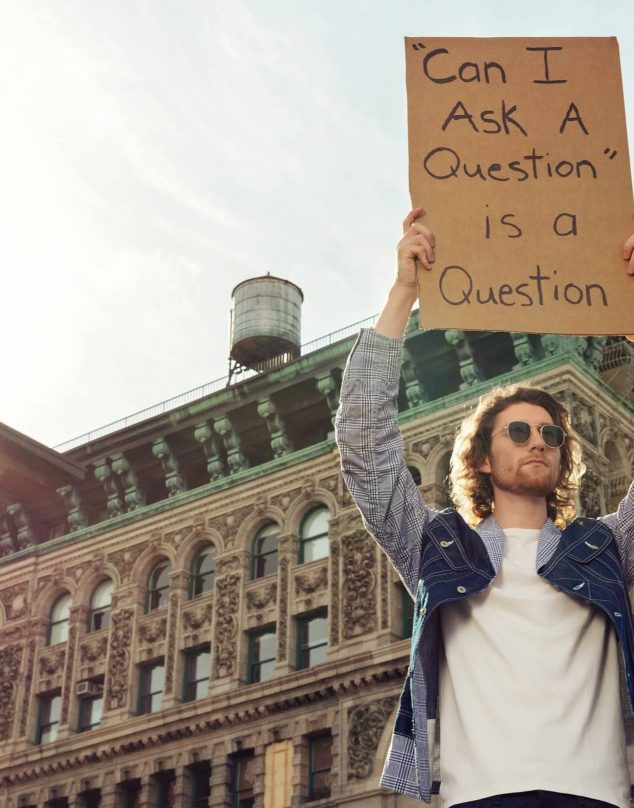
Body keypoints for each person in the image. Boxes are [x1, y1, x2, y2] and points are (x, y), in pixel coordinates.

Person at [335, 208, 634, 808]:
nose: (537, 444)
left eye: (551, 437)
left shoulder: (607, 547)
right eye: (518, 432)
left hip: (598, 797)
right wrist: (404, 292)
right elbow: (363, 442)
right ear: (480, 460)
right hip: (480, 797)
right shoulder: (439, 548)